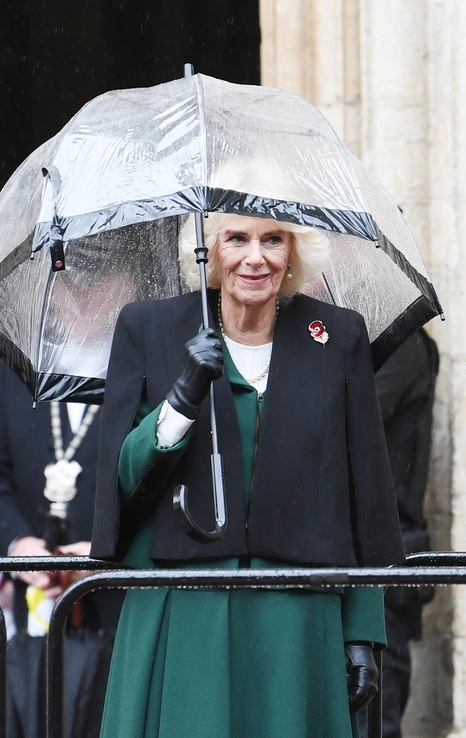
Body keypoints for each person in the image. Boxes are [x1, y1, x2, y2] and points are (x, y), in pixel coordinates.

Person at [90, 213, 404, 738]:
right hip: (185, 611)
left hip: (298, 618)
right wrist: (183, 394)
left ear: (293, 254)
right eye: (236, 239)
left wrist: (363, 632)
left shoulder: (338, 333)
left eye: (272, 240)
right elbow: (123, 480)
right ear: (210, 251)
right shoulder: (150, 328)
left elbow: (363, 489)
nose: (254, 257)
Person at [0, 365, 119, 738]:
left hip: (121, 607)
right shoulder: (12, 366)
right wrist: (17, 544)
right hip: (33, 610)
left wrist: (108, 550)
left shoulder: (141, 361)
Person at [365, 327, 439, 737]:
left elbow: (346, 424)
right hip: (346, 555)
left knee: (375, 717)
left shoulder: (400, 342)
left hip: (386, 555)